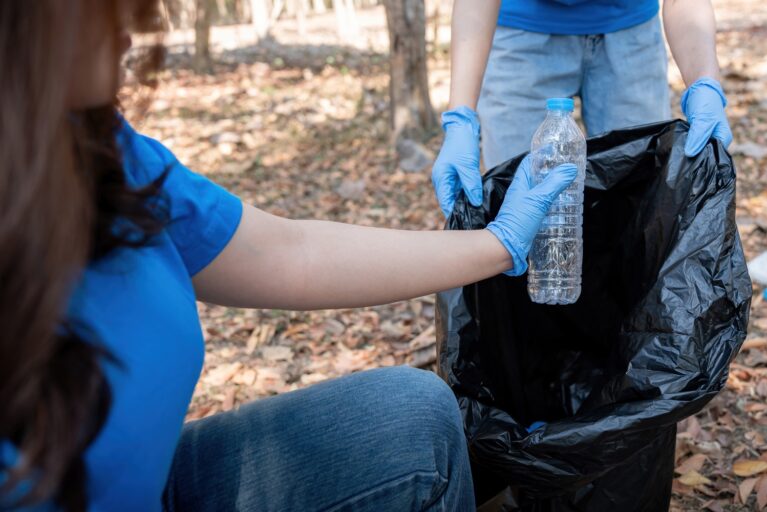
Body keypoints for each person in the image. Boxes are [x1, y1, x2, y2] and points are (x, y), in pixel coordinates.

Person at [0, 1, 576, 510]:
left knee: (410, 415)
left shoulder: (97, 149)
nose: (130, 24)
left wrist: (498, 245)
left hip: (155, 488)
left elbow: (286, 252)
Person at [432, 0, 734, 218]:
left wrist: (704, 83)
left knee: (637, 205)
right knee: (518, 207)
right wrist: (461, 116)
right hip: (520, 33)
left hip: (630, 30)